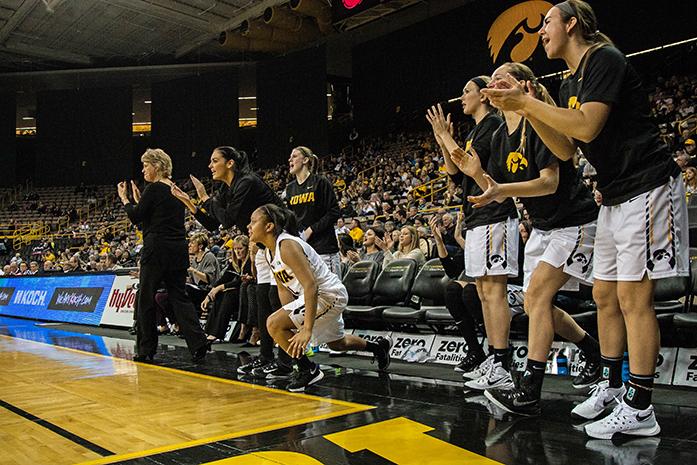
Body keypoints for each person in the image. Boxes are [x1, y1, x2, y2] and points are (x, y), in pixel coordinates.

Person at [482, 0, 688, 438]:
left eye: (548, 23)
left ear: (572, 24)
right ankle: (613, 387)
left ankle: (640, 405)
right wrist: (528, 107)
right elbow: (563, 149)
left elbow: (589, 127)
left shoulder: (604, 59)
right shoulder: (572, 78)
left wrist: (527, 103)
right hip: (613, 195)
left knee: (634, 299)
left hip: (646, 185)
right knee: (605, 299)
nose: (541, 32)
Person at [447, 62, 602, 414]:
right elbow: (496, 190)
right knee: (535, 305)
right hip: (543, 227)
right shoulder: (501, 135)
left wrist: (497, 187)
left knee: (537, 295)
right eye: (492, 79)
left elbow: (549, 182)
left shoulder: (539, 120)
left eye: (503, 78)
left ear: (525, 87)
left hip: (574, 222)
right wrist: (478, 174)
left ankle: (529, 388)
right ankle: (590, 348)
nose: (494, 83)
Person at [427, 75, 518, 388]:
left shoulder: (492, 123)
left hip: (495, 213)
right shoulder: (473, 132)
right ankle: (494, 358)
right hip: (478, 216)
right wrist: (443, 142)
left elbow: (468, 165)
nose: (461, 96)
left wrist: (445, 136)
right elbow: (455, 175)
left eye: (466, 91)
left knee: (494, 292)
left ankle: (503, 363)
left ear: (483, 95)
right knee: (481, 292)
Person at [170, 145, 292, 378]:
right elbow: (212, 224)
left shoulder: (246, 182)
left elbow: (226, 220)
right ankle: (267, 358)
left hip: (282, 241)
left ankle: (286, 362)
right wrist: (189, 202)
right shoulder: (228, 188)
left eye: (215, 160)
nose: (210, 165)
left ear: (230, 163)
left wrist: (205, 197)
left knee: (275, 302)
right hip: (262, 245)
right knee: (263, 301)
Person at [249, 204, 392, 392]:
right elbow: (284, 289)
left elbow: (311, 285)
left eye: (253, 221)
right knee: (337, 343)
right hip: (318, 295)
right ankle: (378, 348)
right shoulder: (269, 252)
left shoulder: (287, 245)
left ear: (269, 226)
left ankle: (307, 370)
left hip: (328, 293)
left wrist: (306, 329)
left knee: (272, 324)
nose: (248, 226)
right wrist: (290, 320)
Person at [118, 148, 208, 363]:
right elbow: (150, 219)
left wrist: (125, 200)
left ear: (157, 166)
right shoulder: (175, 189)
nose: (143, 170)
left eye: (145, 165)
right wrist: (141, 202)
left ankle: (146, 349)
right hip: (177, 249)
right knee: (179, 297)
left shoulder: (154, 188)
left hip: (156, 250)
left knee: (145, 298)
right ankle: (198, 343)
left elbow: (136, 217)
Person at [286, 146, 342, 277]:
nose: (290, 160)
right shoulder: (290, 188)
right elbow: (291, 217)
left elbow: (334, 212)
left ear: (305, 160)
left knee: (333, 294)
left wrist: (312, 229)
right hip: (303, 249)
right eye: (290, 157)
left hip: (324, 248)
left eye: (294, 156)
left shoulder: (320, 182)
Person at [203, 235, 254, 342]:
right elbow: (225, 278)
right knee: (220, 295)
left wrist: (222, 287)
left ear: (247, 248)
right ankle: (209, 331)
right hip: (239, 290)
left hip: (246, 290)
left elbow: (239, 281)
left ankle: (217, 333)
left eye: (240, 249)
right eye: (235, 249)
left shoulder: (250, 261)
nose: (237, 252)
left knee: (228, 294)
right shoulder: (236, 262)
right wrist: (211, 292)